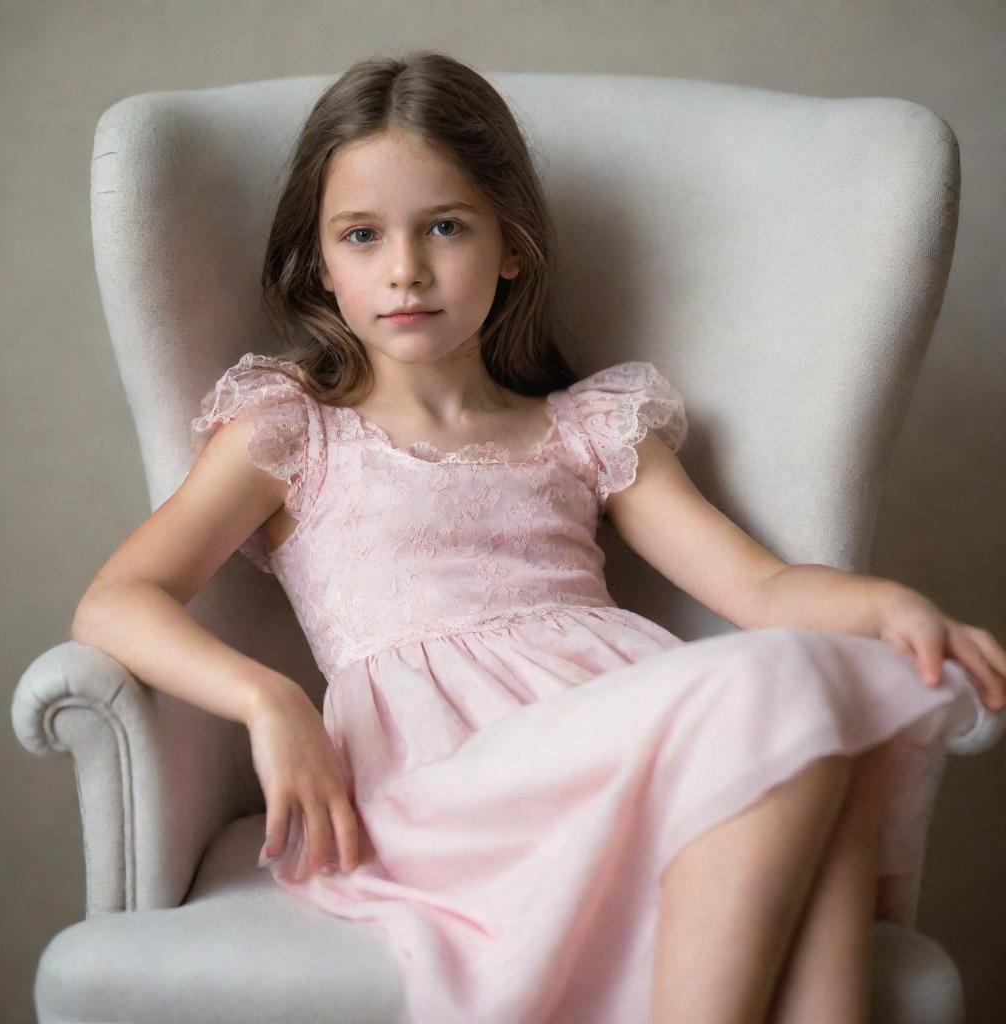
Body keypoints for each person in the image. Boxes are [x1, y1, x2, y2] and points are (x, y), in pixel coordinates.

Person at [72, 49, 1006, 1024]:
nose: (405, 268)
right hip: (445, 779)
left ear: (510, 245)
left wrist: (889, 603)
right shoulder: (292, 425)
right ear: (320, 264)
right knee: (787, 686)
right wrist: (269, 701)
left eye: (445, 226)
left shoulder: (585, 428)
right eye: (361, 235)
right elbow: (116, 599)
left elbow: (762, 589)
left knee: (809, 678)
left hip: (620, 727)